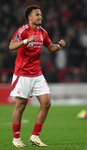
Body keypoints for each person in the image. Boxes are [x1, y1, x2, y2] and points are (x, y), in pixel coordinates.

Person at [9, 5, 66, 147]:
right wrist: (26, 41)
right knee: (21, 106)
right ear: (29, 17)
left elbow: (50, 47)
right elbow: (11, 46)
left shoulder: (42, 32)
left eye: (41, 15)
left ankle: (35, 137)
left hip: (37, 73)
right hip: (22, 74)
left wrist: (58, 46)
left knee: (46, 103)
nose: (40, 17)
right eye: (37, 14)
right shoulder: (23, 30)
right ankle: (16, 139)